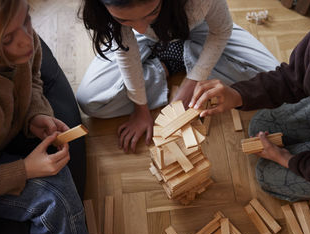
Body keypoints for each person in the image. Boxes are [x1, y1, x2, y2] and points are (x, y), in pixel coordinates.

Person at [189, 0, 310, 201]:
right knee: (259, 124)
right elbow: (291, 77)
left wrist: (287, 159)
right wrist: (237, 95)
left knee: (267, 175)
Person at [76, 0, 279, 152]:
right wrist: (140, 108)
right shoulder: (120, 18)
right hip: (141, 42)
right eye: (124, 19)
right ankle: (168, 63)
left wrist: (191, 83)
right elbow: (126, 51)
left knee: (273, 79)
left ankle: (187, 57)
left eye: (151, 12)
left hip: (201, 28)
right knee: (91, 101)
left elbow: (220, 31)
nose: (139, 26)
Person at [0, 0, 95, 234]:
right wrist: (23, 170)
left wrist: (35, 113)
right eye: (8, 38)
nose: (27, 41)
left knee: (56, 194)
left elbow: (34, 77)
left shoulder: (24, 41)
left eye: (26, 20)